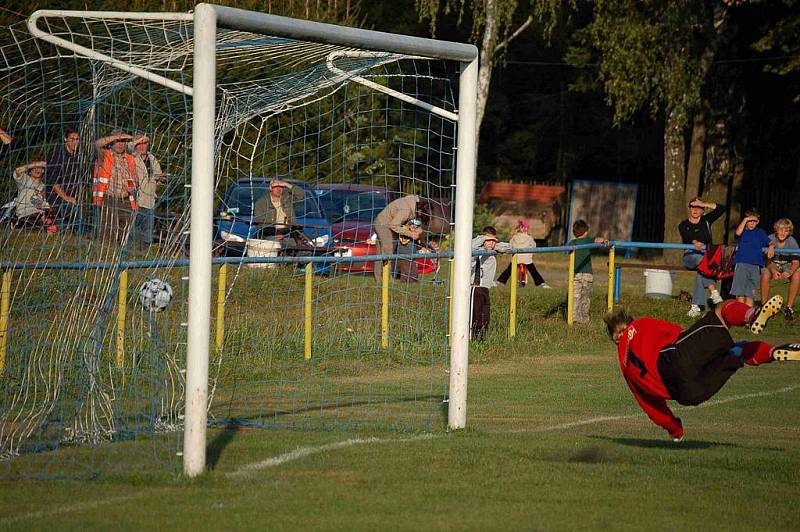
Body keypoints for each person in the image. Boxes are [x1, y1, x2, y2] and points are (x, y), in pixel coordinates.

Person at [603, 294, 795, 442]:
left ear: (615, 338)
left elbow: (650, 405)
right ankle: (753, 315)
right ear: (629, 323)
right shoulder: (641, 324)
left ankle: (773, 352)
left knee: (736, 354)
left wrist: (674, 429)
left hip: (687, 394)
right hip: (674, 359)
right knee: (720, 312)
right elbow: (677, 332)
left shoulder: (624, 364)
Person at [678, 198, 726, 317]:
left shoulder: (706, 221)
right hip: (690, 255)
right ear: (689, 209)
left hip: (706, 256)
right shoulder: (683, 224)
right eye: (693, 207)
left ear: (702, 210)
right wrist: (694, 242)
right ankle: (713, 291)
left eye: (698, 207)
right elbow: (687, 236)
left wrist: (704, 203)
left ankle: (696, 306)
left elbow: (722, 208)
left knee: (701, 271)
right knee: (702, 262)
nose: (695, 209)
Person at [93, 131, 138, 243]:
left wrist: (132, 187)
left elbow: (132, 178)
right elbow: (97, 144)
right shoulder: (105, 154)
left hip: (126, 201)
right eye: (117, 141)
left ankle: (121, 258)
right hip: (109, 198)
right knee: (107, 235)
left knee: (124, 236)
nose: (120, 143)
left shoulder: (129, 158)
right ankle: (105, 259)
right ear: (112, 141)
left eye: (123, 141)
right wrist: (117, 136)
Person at [372, 195, 430, 282]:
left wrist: (416, 229)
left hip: (381, 222)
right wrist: (410, 234)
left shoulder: (410, 205)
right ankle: (388, 279)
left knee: (380, 253)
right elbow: (394, 225)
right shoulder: (406, 210)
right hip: (383, 225)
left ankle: (378, 279)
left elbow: (405, 223)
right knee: (388, 252)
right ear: (419, 210)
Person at [470, 226, 509, 340]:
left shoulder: (492, 251)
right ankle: (472, 337)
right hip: (475, 287)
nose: (492, 243)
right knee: (475, 314)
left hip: (485, 288)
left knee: (485, 315)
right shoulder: (475, 249)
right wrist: (483, 238)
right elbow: (470, 246)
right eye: (489, 240)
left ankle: (482, 338)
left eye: (494, 240)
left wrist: (496, 245)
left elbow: (509, 247)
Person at [730, 208, 774, 307]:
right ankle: (739, 313)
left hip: (755, 265)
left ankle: (747, 317)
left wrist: (771, 247)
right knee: (740, 292)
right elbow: (737, 233)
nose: (751, 223)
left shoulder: (760, 232)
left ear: (758, 222)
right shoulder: (742, 232)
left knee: (750, 293)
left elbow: (770, 242)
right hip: (742, 263)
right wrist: (745, 220)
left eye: (754, 221)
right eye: (749, 221)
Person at [567, 219, 607, 324]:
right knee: (585, 297)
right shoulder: (587, 241)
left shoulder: (572, 243)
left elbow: (566, 250)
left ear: (574, 232)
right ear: (586, 232)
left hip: (575, 275)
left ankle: (573, 318)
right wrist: (604, 240)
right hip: (587, 275)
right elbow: (598, 239)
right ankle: (584, 319)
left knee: (575, 296)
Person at [46, 127, 85, 233]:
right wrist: (67, 197)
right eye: (72, 139)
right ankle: (82, 238)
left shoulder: (77, 156)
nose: (75, 142)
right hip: (56, 198)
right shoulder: (57, 155)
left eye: (77, 139)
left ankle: (53, 230)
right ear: (65, 139)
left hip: (73, 198)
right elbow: (53, 182)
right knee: (76, 214)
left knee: (64, 229)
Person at [761, 218, 800, 321]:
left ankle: (789, 308)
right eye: (781, 229)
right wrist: (773, 271)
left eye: (786, 230)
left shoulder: (792, 242)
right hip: (772, 264)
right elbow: (767, 260)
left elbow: (796, 262)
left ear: (789, 232)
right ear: (776, 229)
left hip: (787, 265)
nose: (783, 233)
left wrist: (790, 271)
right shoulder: (769, 239)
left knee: (797, 275)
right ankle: (764, 306)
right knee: (765, 274)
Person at [130, 133, 164, 246]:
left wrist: (161, 180)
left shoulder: (153, 159)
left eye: (144, 143)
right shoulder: (131, 159)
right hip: (136, 203)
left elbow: (158, 176)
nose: (142, 146)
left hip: (150, 202)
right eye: (139, 143)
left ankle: (143, 257)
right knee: (131, 235)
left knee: (146, 238)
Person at [497, 219, 551, 288]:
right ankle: (541, 283)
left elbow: (511, 245)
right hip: (526, 260)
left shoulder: (514, 237)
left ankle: (500, 281)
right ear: (527, 229)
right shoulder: (529, 238)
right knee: (533, 271)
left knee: (509, 270)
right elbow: (533, 246)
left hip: (516, 259)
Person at [251, 179, 302, 248]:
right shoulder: (261, 203)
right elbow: (259, 224)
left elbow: (300, 194)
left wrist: (286, 184)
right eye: (276, 187)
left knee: (304, 246)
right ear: (270, 188)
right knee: (275, 244)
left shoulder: (287, 199)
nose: (279, 189)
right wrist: (275, 234)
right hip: (270, 234)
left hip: (289, 232)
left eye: (281, 186)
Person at [11, 160, 57, 233]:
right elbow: (18, 170)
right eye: (34, 168)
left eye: (39, 167)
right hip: (25, 213)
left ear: (43, 170)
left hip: (40, 215)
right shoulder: (25, 180)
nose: (36, 169)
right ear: (29, 171)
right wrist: (34, 164)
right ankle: (18, 225)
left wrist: (49, 208)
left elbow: (44, 205)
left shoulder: (45, 187)